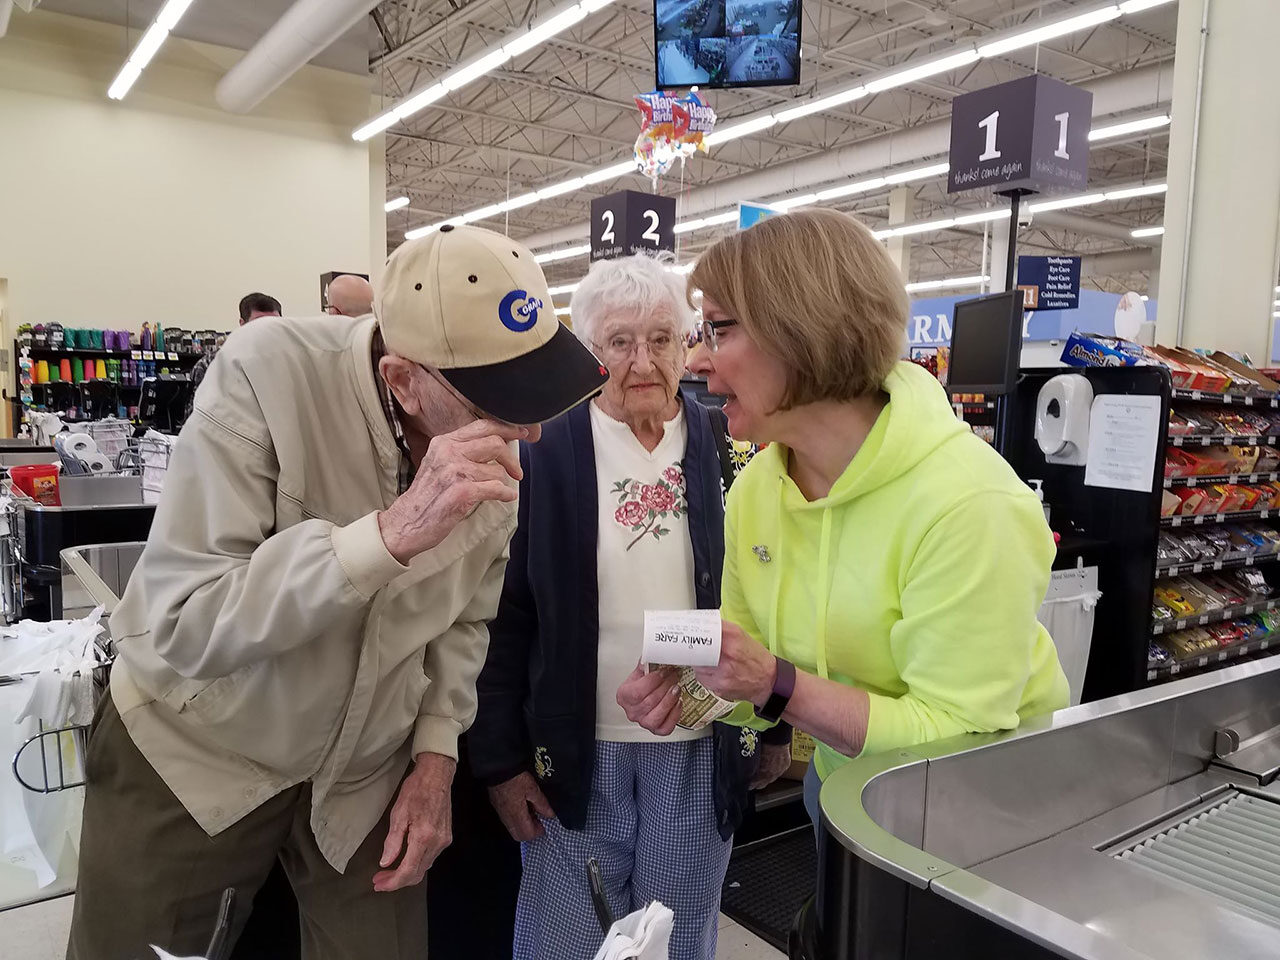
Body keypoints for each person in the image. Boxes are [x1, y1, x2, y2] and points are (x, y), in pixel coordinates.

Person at [67, 224, 608, 960]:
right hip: (201, 753)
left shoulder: (496, 447)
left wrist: (437, 755)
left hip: (362, 770)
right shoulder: (266, 374)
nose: (530, 430)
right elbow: (182, 623)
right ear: (402, 380)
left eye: (536, 386)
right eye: (498, 400)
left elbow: (464, 623)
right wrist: (385, 536)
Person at [620, 209, 1069, 834]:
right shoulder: (758, 489)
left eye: (718, 329)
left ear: (802, 332)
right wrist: (695, 686)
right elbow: (752, 673)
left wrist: (775, 684)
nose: (695, 359)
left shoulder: (970, 505)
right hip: (844, 793)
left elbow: (956, 736)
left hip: (983, 819)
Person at [470, 253, 791, 960]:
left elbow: (772, 600)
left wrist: (773, 725)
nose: (643, 361)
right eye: (619, 342)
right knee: (565, 942)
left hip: (700, 745)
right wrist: (499, 763)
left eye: (661, 339)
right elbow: (501, 614)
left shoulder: (730, 446)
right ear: (589, 351)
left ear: (686, 346)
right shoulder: (542, 450)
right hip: (574, 755)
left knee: (677, 941)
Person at [184, 292, 282, 421]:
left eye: (274, 323)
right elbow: (197, 419)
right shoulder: (212, 364)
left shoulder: (289, 363)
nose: (267, 329)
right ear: (242, 323)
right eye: (259, 323)